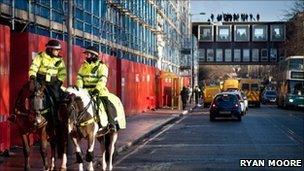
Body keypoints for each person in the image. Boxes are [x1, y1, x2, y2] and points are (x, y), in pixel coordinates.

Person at [76, 46, 117, 135]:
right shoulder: (83, 65)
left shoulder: (102, 66)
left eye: (88, 54)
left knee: (106, 104)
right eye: (86, 54)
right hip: (85, 91)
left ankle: (111, 124)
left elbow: (103, 79)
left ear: (94, 55)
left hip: (98, 91)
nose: (86, 56)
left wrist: (97, 89)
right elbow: (79, 77)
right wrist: (80, 89)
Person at [28, 39, 67, 127]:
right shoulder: (40, 56)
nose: (58, 51)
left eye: (58, 50)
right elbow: (34, 67)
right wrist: (32, 78)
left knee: (58, 99)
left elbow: (63, 73)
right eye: (56, 50)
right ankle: (34, 116)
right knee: (35, 95)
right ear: (50, 49)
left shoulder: (60, 60)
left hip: (53, 84)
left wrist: (59, 82)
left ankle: (57, 119)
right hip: (39, 82)